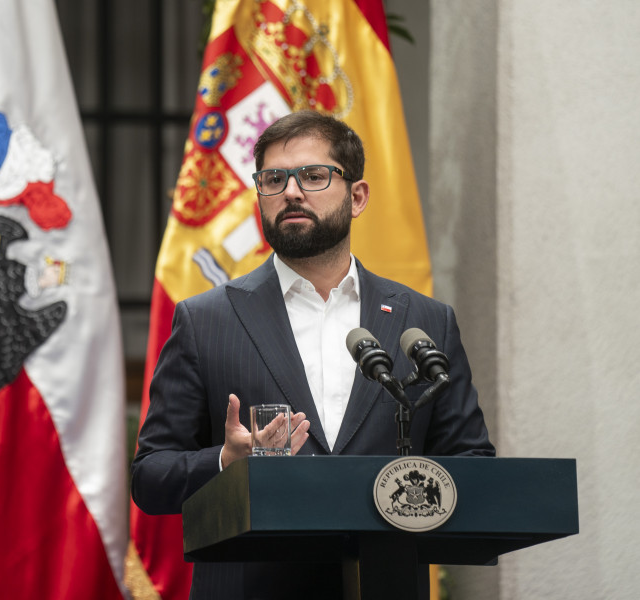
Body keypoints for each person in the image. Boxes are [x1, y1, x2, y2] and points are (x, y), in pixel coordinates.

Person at [131, 110, 495, 599]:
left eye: (314, 175)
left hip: (382, 583)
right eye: (274, 179)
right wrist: (224, 460)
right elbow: (151, 477)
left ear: (357, 196)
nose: (292, 192)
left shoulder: (424, 322)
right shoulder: (206, 320)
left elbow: (472, 461)